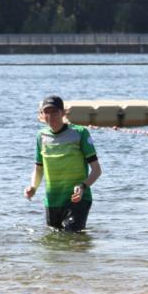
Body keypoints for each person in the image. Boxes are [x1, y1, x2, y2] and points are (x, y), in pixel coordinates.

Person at [24, 95, 102, 231]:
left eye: (54, 111)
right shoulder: (41, 136)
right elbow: (38, 169)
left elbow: (96, 170)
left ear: (63, 113)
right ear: (42, 115)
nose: (50, 115)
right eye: (46, 112)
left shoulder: (80, 133)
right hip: (52, 200)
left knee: (72, 237)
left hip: (77, 199)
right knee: (55, 241)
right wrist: (33, 187)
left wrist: (83, 187)